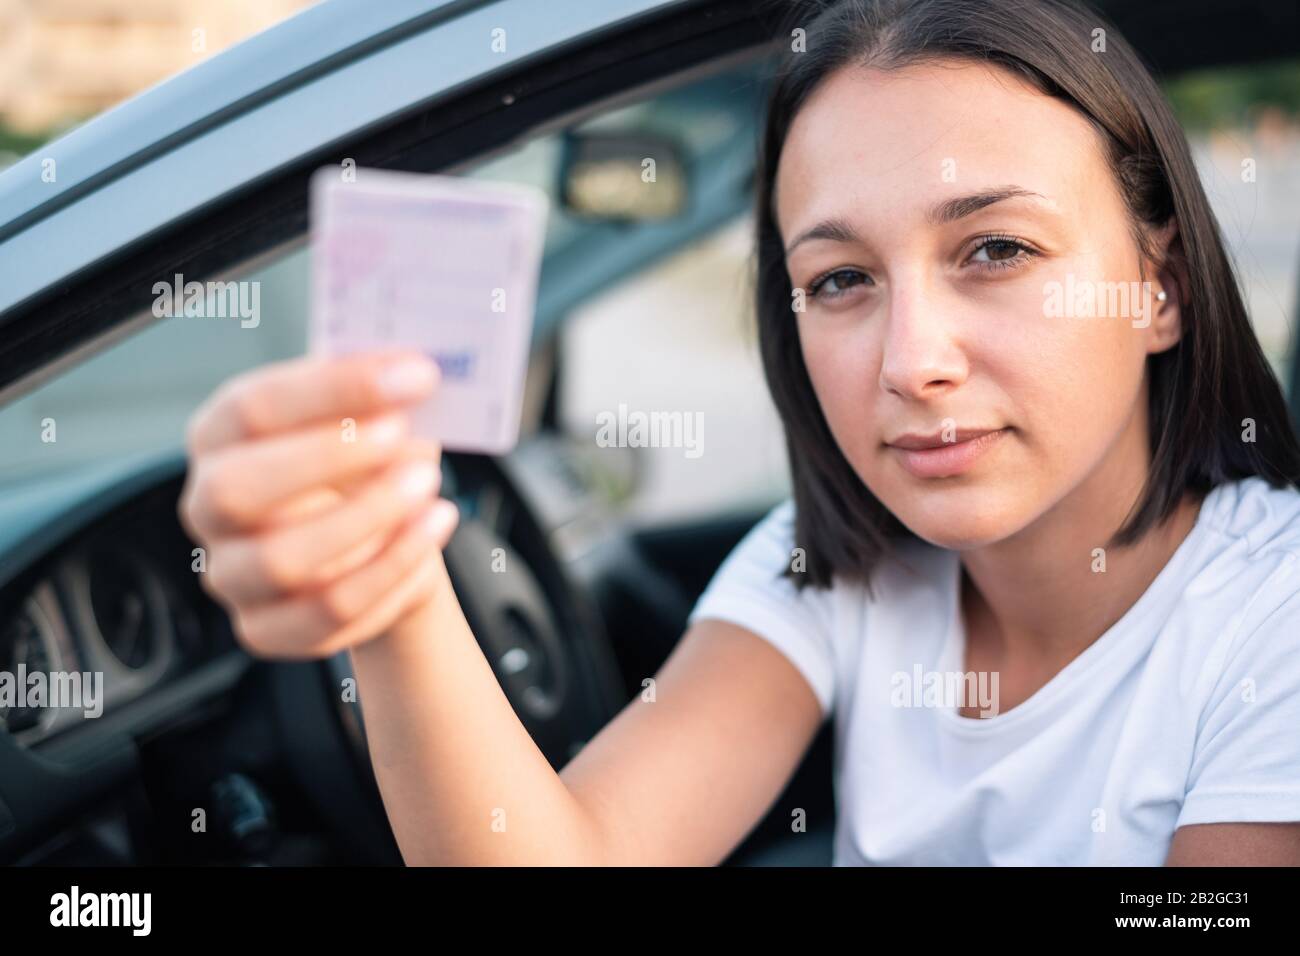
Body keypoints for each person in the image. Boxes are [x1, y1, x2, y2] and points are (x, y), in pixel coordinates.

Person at [178, 0, 1300, 865]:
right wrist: (386, 578)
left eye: (995, 250)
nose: (911, 360)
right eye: (842, 277)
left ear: (1158, 285)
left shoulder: (1273, 617)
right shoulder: (826, 565)